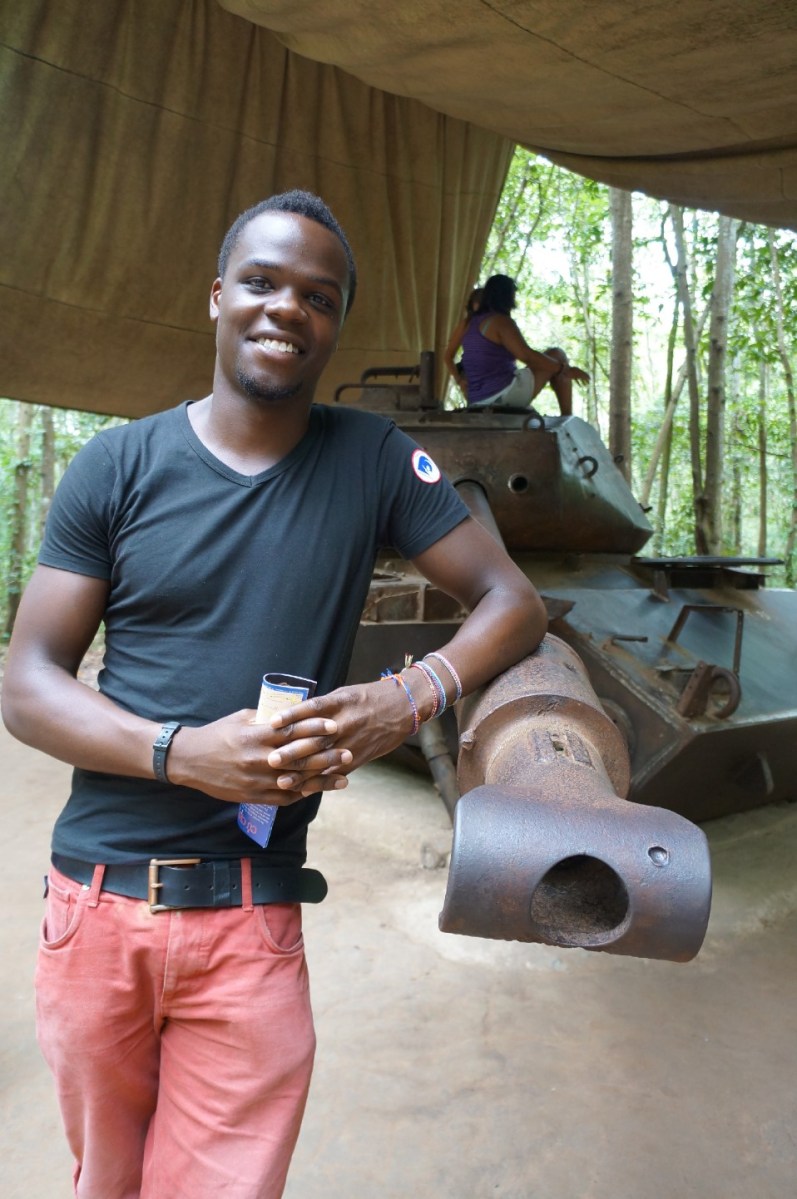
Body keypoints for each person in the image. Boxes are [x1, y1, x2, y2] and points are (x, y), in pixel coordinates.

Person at [1, 190, 548, 1199]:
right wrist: (180, 750)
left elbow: (512, 603)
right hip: (97, 905)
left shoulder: (374, 459)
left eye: (317, 295)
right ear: (217, 296)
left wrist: (406, 694)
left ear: (334, 323)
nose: (285, 309)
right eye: (259, 282)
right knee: (103, 1183)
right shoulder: (117, 465)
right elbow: (26, 684)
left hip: (250, 919)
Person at [444, 273, 590, 415]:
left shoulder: (467, 323)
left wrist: (459, 381)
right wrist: (563, 369)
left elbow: (447, 356)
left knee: (548, 361)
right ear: (508, 297)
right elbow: (526, 355)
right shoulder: (501, 322)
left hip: (476, 401)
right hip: (502, 396)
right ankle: (566, 417)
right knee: (557, 354)